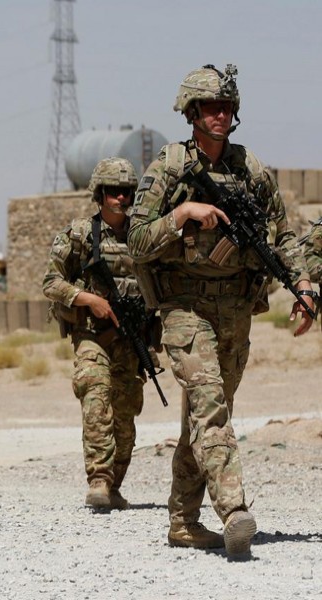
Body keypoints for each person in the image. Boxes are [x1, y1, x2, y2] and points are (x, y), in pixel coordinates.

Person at [128, 64, 316, 556]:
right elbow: (136, 240)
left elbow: (283, 236)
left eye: (227, 107)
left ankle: (183, 522)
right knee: (210, 406)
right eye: (210, 107)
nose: (220, 115)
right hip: (184, 306)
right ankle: (234, 511)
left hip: (235, 309)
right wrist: (181, 215)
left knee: (209, 414)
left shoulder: (249, 169)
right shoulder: (168, 168)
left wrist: (303, 285)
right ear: (191, 113)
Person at [42, 157, 147, 511]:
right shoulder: (79, 235)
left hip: (131, 339)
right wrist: (87, 299)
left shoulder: (141, 237)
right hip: (91, 335)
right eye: (113, 192)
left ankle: (115, 482)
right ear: (99, 195)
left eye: (126, 192)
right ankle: (99, 479)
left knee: (126, 413)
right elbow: (51, 282)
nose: (121, 198)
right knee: (96, 396)